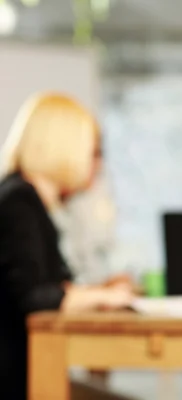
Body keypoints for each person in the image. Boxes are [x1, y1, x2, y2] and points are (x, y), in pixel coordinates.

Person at [0, 93, 135, 400]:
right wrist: (104, 295)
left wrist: (99, 292)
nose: (95, 164)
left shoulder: (27, 201)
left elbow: (42, 283)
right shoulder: (19, 203)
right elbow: (36, 298)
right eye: (91, 151)